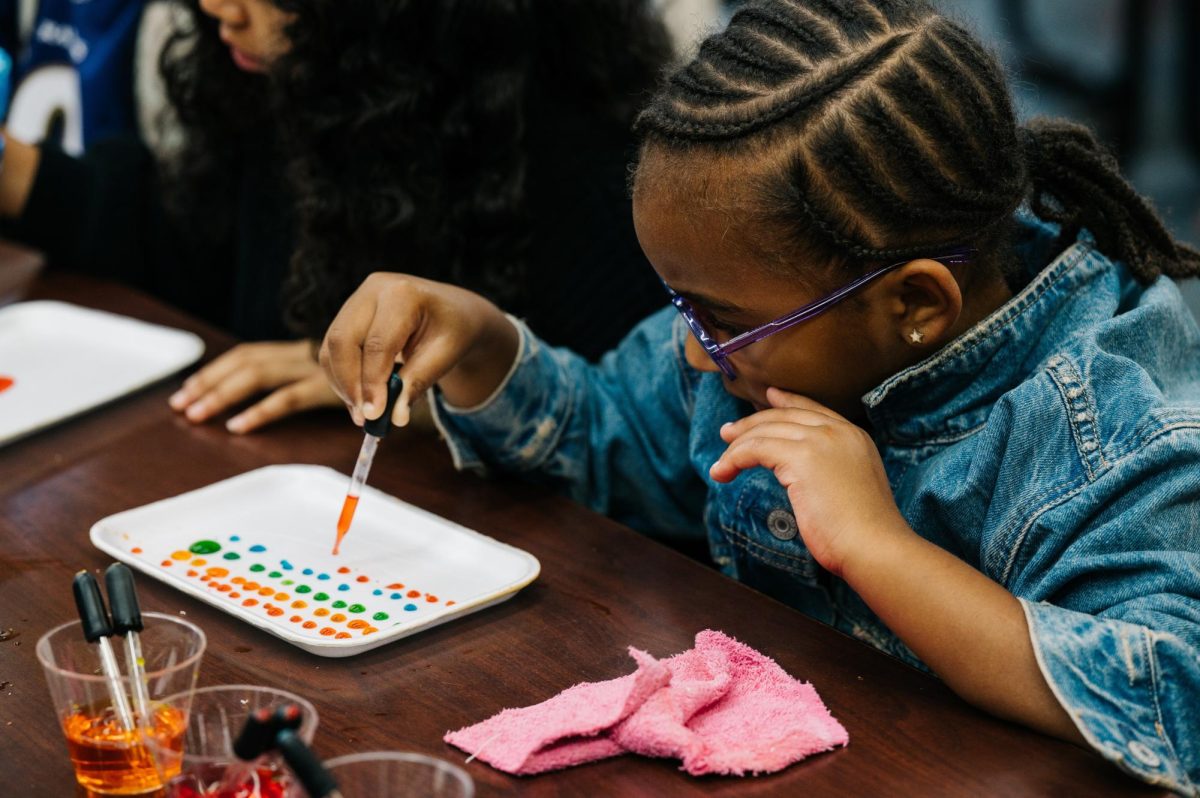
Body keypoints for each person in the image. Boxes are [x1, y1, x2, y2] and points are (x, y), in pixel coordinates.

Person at [318, 0, 1200, 791]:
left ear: (916, 306)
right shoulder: (757, 341)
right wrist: (483, 342)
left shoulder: (1112, 429)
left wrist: (877, 547)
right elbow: (606, 436)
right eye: (682, 307)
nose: (697, 357)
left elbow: (1174, 700)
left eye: (719, 320)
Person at [0, 0, 672, 432]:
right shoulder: (287, 72)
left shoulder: (588, 162)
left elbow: (627, 422)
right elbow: (184, 242)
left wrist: (427, 388)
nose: (215, 9)